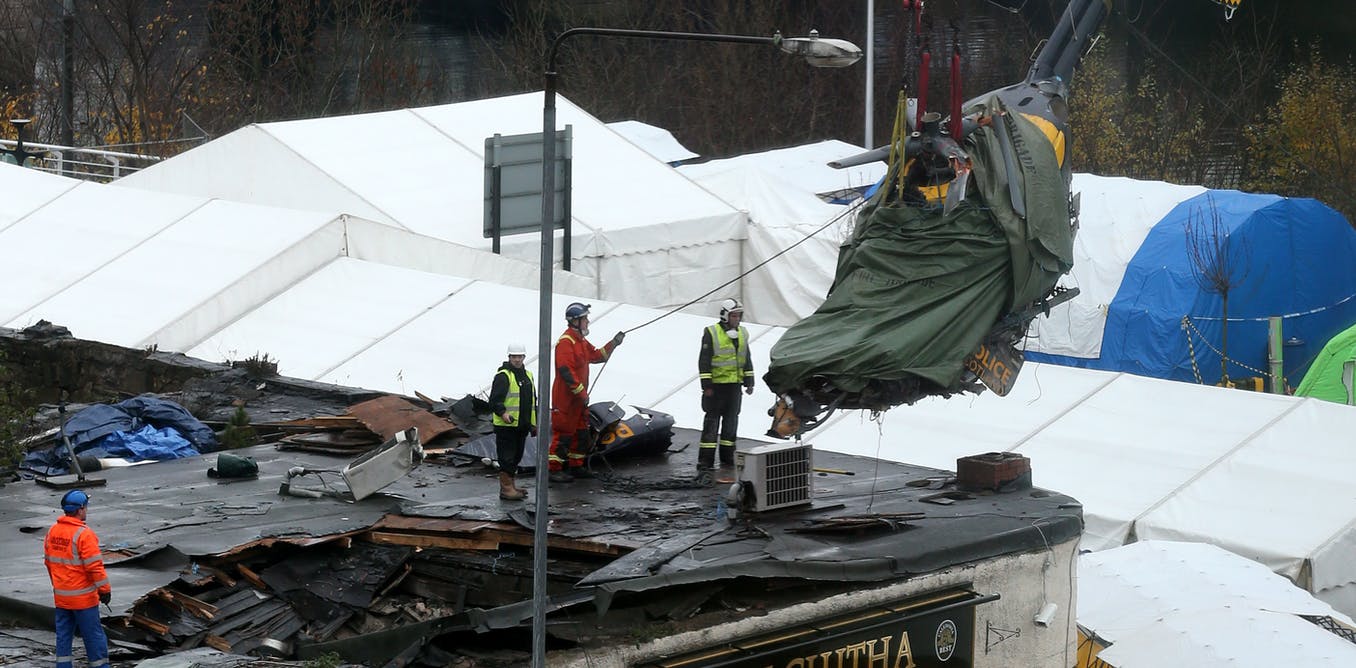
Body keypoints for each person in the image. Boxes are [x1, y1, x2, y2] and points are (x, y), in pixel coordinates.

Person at [550, 302, 624, 482]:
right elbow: (566, 371)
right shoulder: (566, 342)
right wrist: (582, 393)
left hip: (579, 400)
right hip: (566, 400)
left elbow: (598, 355)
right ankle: (554, 470)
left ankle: (577, 466)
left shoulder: (581, 341)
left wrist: (613, 343)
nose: (587, 322)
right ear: (575, 321)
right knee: (564, 435)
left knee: (581, 433)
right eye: (585, 319)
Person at [43, 490, 111, 668]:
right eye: (85, 507)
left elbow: (49, 563)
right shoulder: (84, 534)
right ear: (80, 509)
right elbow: (94, 567)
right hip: (83, 600)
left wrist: (59, 586)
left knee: (63, 637)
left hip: (62, 598)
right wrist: (104, 590)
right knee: (93, 636)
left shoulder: (53, 531)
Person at [697, 297, 754, 470]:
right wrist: (706, 385)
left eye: (739, 316)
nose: (737, 319)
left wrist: (749, 381)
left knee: (731, 423)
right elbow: (704, 361)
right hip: (715, 388)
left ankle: (728, 458)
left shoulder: (743, 333)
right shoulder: (711, 332)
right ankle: (705, 460)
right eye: (734, 316)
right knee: (712, 423)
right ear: (725, 316)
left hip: (734, 387)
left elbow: (746, 358)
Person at [489, 342, 536, 501]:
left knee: (516, 456)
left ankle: (511, 485)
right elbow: (495, 400)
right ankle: (506, 488)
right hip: (506, 426)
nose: (517, 359)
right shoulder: (503, 376)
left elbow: (531, 403)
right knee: (507, 457)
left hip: (521, 425)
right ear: (509, 357)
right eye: (514, 357)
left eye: (519, 356)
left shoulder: (528, 375)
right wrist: (503, 413)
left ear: (524, 357)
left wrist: (533, 423)